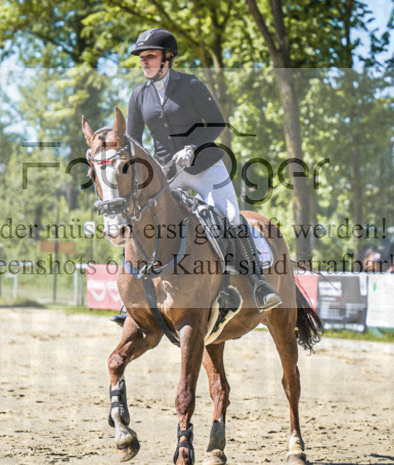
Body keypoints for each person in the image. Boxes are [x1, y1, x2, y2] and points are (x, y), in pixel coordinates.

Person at [118, 27, 281, 318]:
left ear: (168, 58)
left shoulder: (190, 85)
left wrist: (192, 146)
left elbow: (217, 124)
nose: (144, 62)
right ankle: (134, 294)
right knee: (141, 218)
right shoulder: (138, 96)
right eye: (142, 57)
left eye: (151, 56)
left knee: (230, 216)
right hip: (167, 171)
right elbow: (134, 142)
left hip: (204, 165)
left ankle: (259, 285)